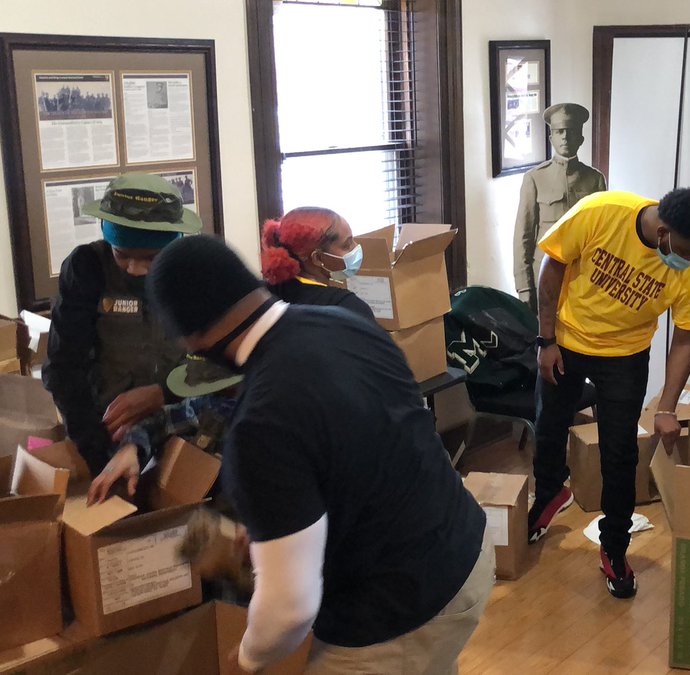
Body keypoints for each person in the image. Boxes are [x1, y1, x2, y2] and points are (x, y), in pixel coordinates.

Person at [146, 235, 492, 674]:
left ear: (192, 338)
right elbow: (365, 454)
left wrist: (249, 657)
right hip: (465, 550)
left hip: (399, 610)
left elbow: (290, 609)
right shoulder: (343, 322)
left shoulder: (259, 423)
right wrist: (276, 530)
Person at [527, 188, 690, 599]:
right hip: (567, 341)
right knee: (547, 427)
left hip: (625, 357)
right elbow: (553, 264)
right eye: (686, 251)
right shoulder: (601, 212)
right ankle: (548, 495)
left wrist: (666, 408)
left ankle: (614, 547)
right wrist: (545, 340)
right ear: (664, 232)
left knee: (620, 455)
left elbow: (684, 340)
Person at [43, 173, 202, 476]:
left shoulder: (198, 273)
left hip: (182, 430)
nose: (135, 269)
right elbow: (64, 368)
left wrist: (164, 392)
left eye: (151, 258)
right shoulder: (87, 268)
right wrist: (94, 448)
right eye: (122, 255)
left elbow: (220, 365)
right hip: (104, 436)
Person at [86, 355, 242, 506]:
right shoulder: (212, 405)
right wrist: (131, 447)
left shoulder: (248, 422)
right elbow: (161, 420)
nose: (214, 397)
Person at [513, 102, 607, 312]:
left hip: (583, 278)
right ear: (551, 138)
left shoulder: (595, 179)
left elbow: (602, 235)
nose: (565, 137)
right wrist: (524, 287)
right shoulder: (535, 178)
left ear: (581, 139)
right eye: (559, 132)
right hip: (544, 276)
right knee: (544, 331)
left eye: (571, 132)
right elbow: (523, 236)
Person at [260, 206, 374, 321]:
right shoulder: (349, 307)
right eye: (346, 245)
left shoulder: (265, 295)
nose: (356, 247)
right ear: (318, 258)